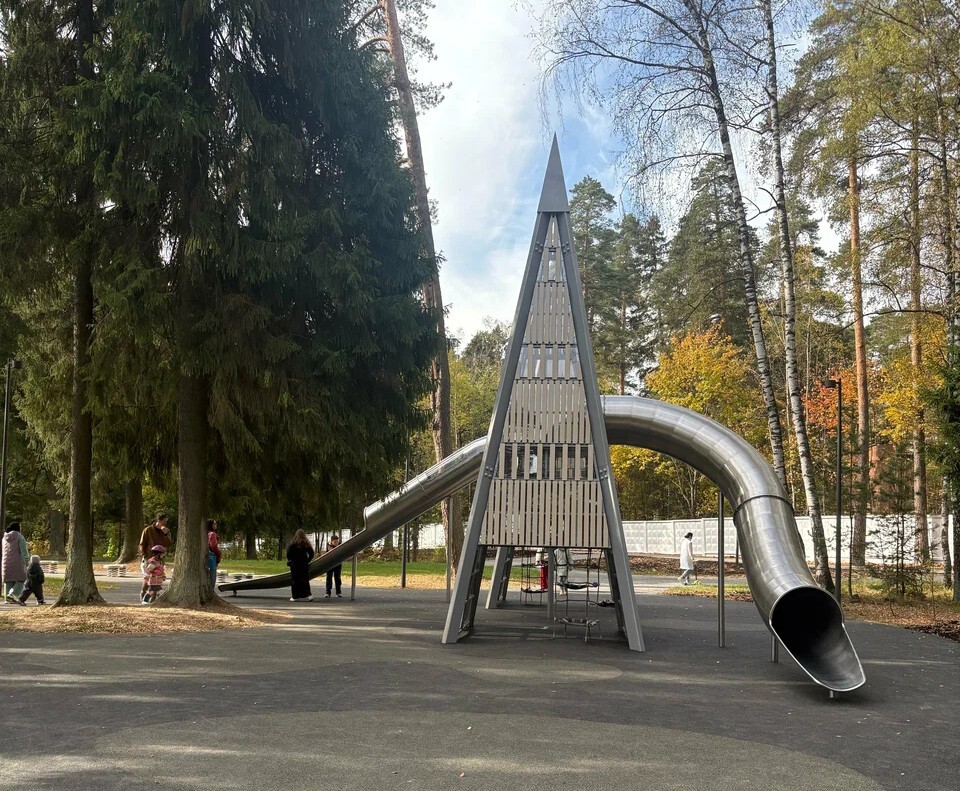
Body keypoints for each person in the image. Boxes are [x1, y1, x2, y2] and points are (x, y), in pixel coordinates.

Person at [138, 515, 172, 603]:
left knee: (158, 579)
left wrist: (165, 534)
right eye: (165, 520)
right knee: (149, 578)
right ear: (159, 520)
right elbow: (142, 544)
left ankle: (153, 601)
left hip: (160, 558)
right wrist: (144, 555)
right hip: (149, 557)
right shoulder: (148, 530)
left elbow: (169, 544)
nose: (166, 522)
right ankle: (143, 593)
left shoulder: (166, 531)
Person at [2, 522, 30, 603]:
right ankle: (12, 593)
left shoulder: (4, 538)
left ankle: (7, 599)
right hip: (17, 562)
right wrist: (27, 560)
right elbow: (23, 551)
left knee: (8, 581)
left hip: (5, 562)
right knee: (22, 578)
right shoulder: (20, 537)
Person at [286, 529, 314, 602]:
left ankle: (295, 596)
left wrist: (290, 560)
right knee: (305, 580)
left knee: (295, 580)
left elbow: (288, 554)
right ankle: (309, 595)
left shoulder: (293, 543)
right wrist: (307, 561)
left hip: (295, 564)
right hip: (304, 563)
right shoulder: (306, 543)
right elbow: (311, 554)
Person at [324, 534, 343, 598]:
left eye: (337, 542)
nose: (336, 543)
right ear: (331, 541)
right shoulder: (328, 547)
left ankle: (338, 592)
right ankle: (328, 592)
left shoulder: (340, 547)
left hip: (338, 564)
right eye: (335, 542)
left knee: (337, 578)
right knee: (329, 578)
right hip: (329, 564)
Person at [206, 519, 221, 590]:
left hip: (206, 554)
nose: (216, 525)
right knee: (212, 574)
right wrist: (218, 553)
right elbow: (213, 545)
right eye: (214, 523)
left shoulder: (206, 533)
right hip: (212, 555)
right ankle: (211, 590)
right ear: (211, 525)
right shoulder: (212, 534)